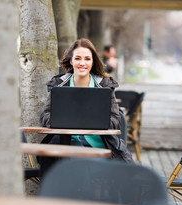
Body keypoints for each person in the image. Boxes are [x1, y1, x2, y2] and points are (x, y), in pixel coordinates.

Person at [39, 38, 133, 173]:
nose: (82, 63)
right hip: (66, 145)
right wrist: (65, 122)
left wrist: (91, 121)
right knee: (61, 164)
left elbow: (115, 120)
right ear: (71, 61)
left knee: (80, 166)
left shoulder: (105, 85)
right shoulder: (59, 85)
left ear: (93, 61)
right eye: (78, 58)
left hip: (100, 147)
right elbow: (45, 117)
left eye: (87, 59)